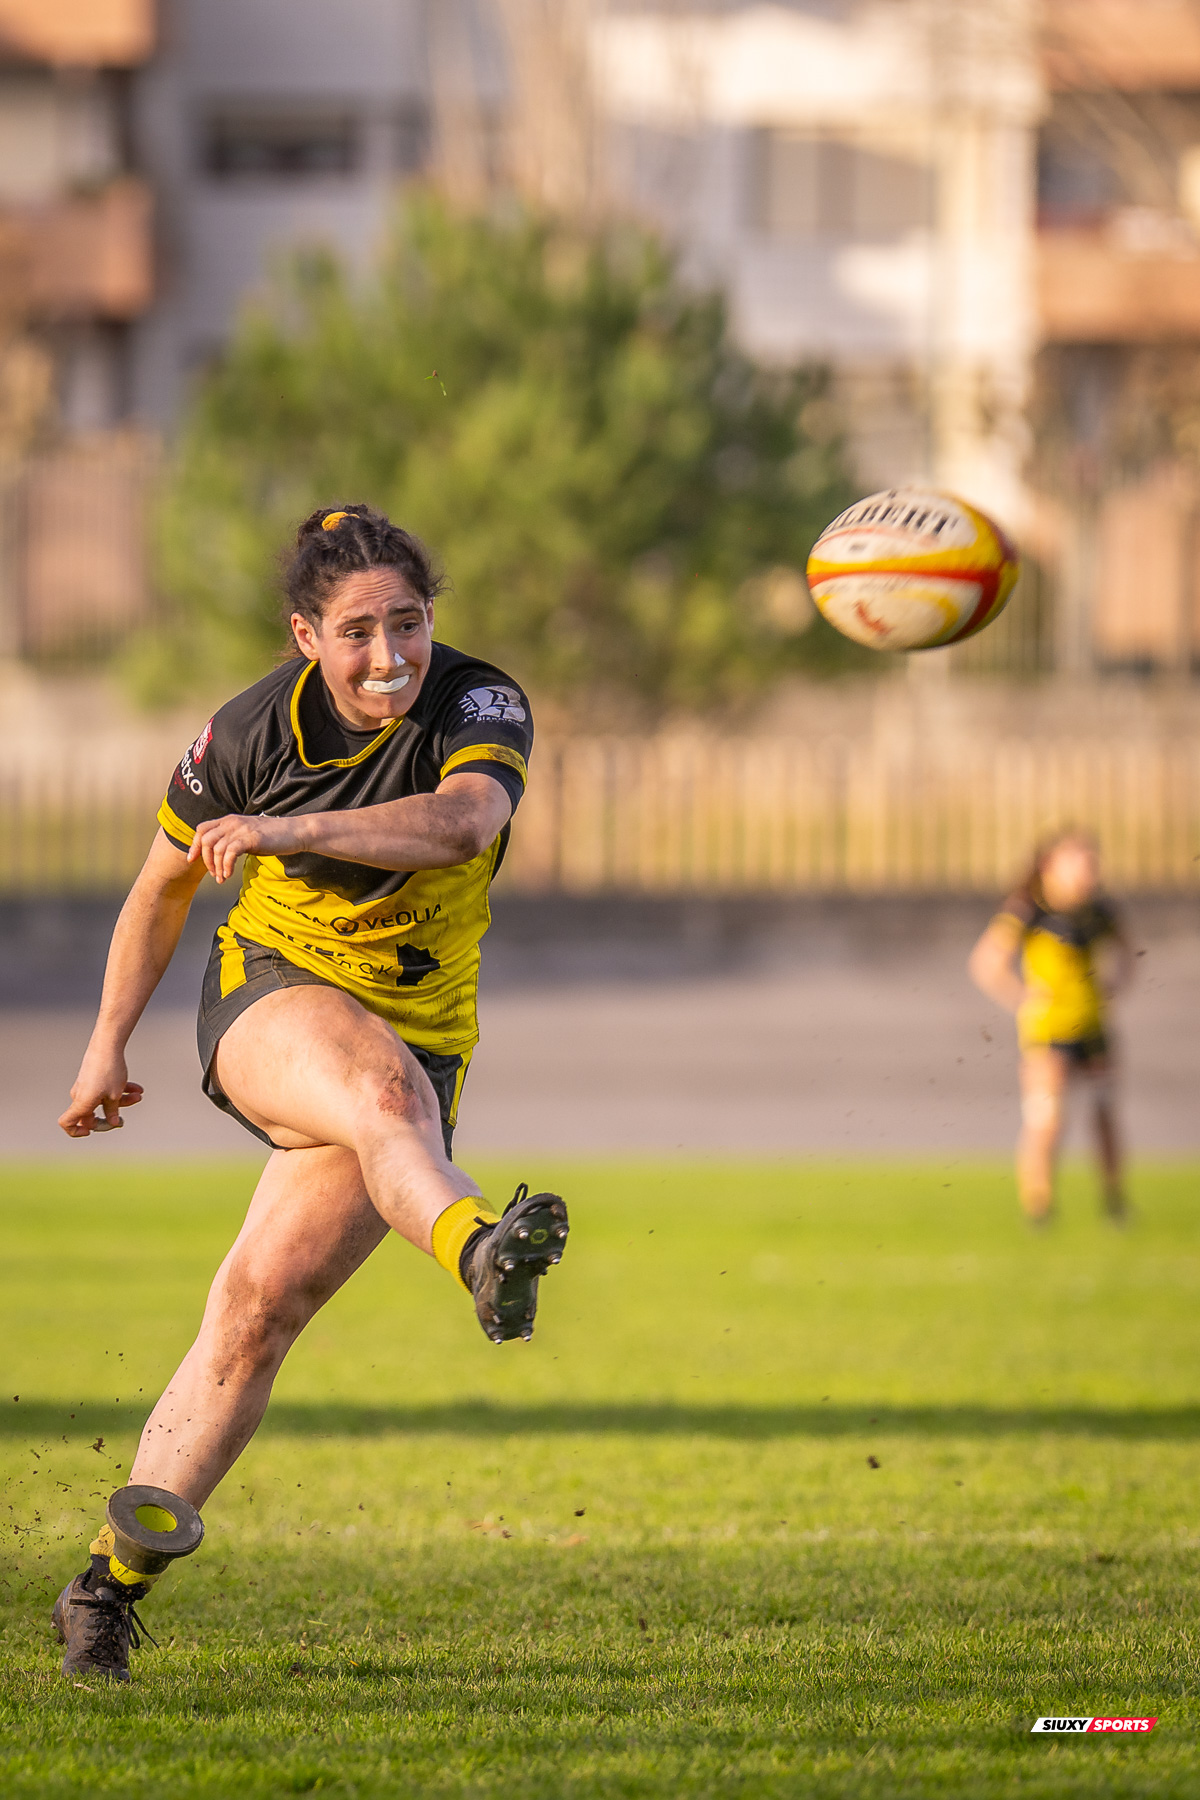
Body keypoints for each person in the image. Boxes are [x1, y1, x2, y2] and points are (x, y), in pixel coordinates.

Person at [52, 504, 569, 1681]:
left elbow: (461, 824)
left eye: (409, 623)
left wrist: (288, 830)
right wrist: (104, 1044)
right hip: (272, 994)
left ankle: (103, 1587)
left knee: (255, 1311)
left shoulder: (481, 703)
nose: (390, 656)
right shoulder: (242, 734)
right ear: (304, 635)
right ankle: (480, 1251)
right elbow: (159, 894)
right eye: (357, 632)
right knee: (385, 1097)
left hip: (422, 1038)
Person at [968, 827, 1133, 1227]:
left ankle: (1114, 1202)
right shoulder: (1030, 909)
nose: (1086, 871)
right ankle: (1039, 1205)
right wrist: (1021, 996)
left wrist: (1114, 984)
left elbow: (1127, 954)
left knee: (1104, 1111)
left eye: (1090, 863)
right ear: (1049, 865)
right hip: (1048, 1030)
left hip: (1093, 1025)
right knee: (1048, 1119)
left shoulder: (1099, 911)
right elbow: (986, 962)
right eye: (1077, 861)